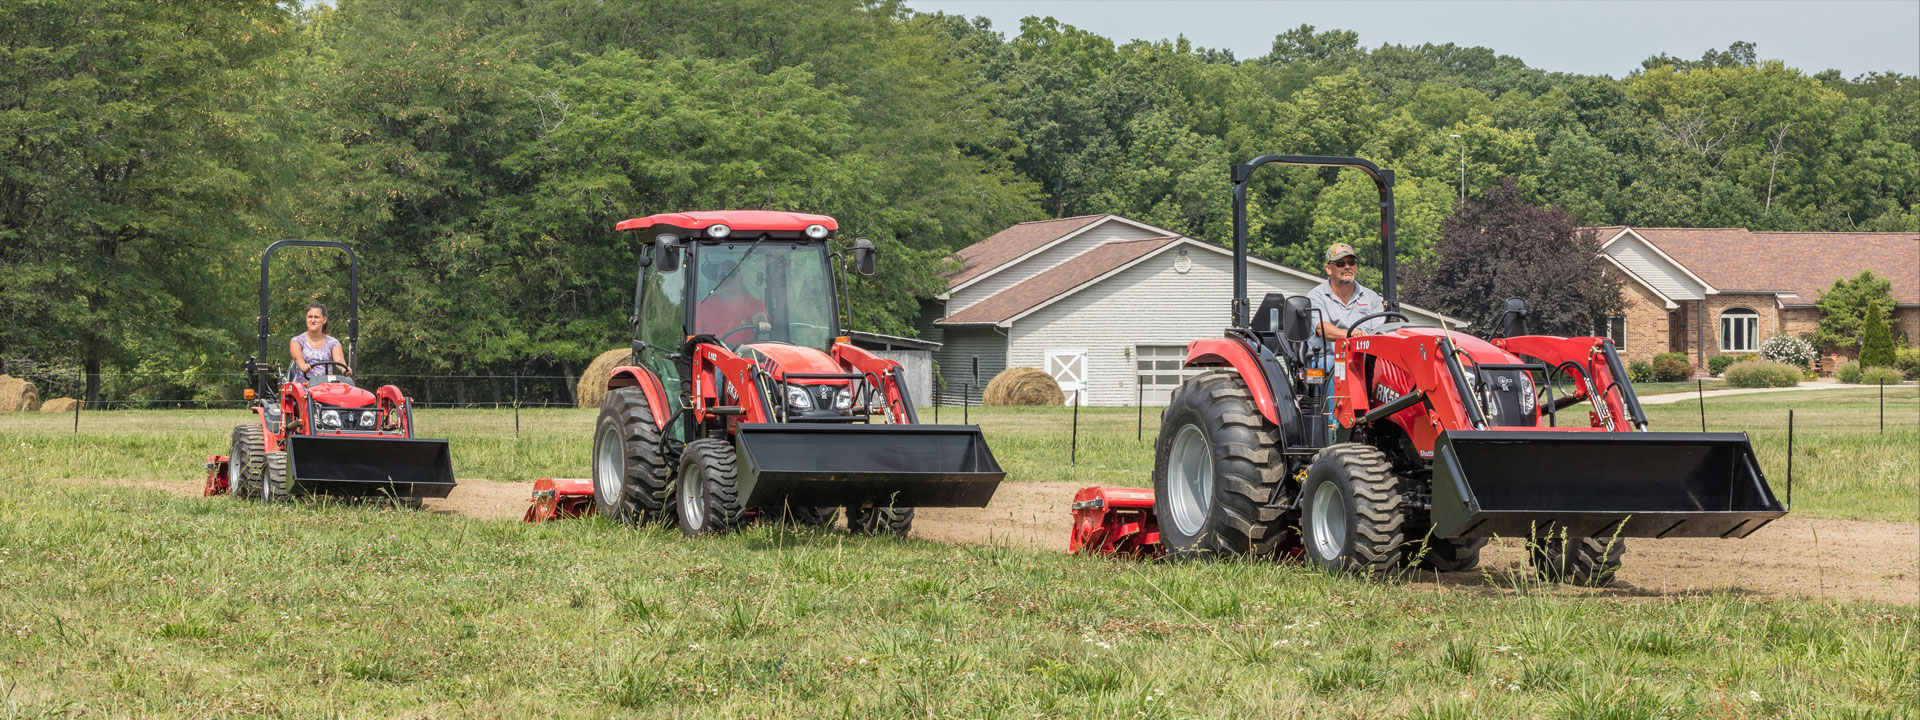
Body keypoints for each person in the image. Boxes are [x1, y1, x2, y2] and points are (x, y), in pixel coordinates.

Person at [1305, 242, 1387, 362]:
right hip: (1329, 358)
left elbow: (1379, 332)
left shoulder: (1371, 297)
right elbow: (1322, 328)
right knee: (1335, 365)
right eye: (1340, 264)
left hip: (1364, 358)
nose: (1347, 267)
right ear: (1328, 269)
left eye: (1351, 263)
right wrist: (1352, 334)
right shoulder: (1316, 296)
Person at [695, 265, 771, 343]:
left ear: (740, 279)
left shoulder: (752, 303)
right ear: (717, 280)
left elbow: (760, 317)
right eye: (722, 276)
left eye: (732, 275)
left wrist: (762, 323)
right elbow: (695, 339)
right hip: (712, 353)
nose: (727, 279)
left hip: (743, 353)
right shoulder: (704, 306)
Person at [289, 303, 348, 383]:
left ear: (324, 320)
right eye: (310, 317)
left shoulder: (333, 342)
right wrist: (303, 366)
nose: (313, 320)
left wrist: (344, 369)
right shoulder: (297, 341)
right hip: (303, 388)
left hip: (326, 387)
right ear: (306, 318)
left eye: (316, 317)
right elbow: (297, 358)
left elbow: (339, 360)